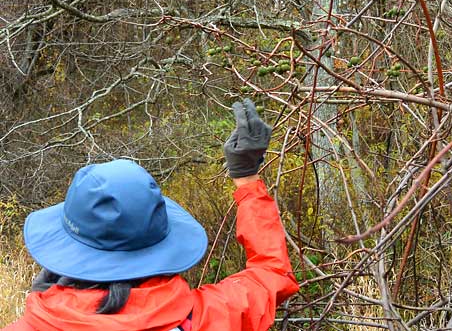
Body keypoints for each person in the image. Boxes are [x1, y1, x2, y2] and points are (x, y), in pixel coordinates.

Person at [2, 99, 298, 331]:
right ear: (161, 244)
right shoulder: (209, 318)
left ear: (67, 254)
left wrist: (46, 302)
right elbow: (271, 274)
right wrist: (246, 179)